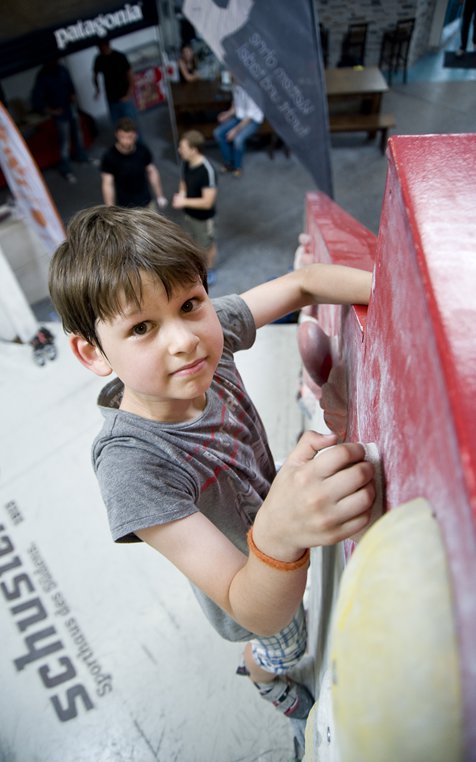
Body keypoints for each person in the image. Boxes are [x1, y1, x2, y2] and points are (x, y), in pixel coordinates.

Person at [48, 206, 375, 735]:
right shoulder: (132, 466)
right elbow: (253, 609)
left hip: (280, 536)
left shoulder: (207, 340)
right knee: (284, 645)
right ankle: (267, 680)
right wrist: (279, 530)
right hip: (251, 586)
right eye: (142, 327)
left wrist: (397, 293)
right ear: (92, 353)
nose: (183, 339)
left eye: (189, 303)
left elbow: (305, 284)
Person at [31, 59, 90, 183]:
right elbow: (37, 99)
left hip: (70, 108)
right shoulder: (43, 76)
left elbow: (70, 84)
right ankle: (66, 168)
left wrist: (73, 94)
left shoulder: (62, 69)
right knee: (65, 142)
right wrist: (51, 111)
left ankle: (81, 156)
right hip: (60, 113)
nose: (55, 62)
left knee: (77, 134)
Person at [173, 130, 218, 283]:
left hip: (203, 218)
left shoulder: (207, 171)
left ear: (194, 150)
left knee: (207, 244)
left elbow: (207, 202)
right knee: (194, 240)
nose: (179, 151)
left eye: (183, 148)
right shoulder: (186, 162)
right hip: (190, 214)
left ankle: (210, 269)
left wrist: (183, 202)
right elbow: (183, 180)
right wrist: (182, 193)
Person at [100, 117, 167, 210]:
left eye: (129, 137)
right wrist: (110, 209)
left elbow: (152, 172)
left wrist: (160, 195)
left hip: (146, 202)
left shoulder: (142, 150)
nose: (126, 141)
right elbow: (107, 183)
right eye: (122, 137)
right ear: (116, 135)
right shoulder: (109, 156)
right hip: (126, 208)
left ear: (135, 135)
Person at [213, 80, 264, 177]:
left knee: (238, 139)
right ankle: (229, 162)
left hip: (253, 120)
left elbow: (249, 117)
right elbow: (236, 106)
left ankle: (237, 166)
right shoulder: (235, 85)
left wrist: (235, 130)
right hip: (240, 117)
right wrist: (227, 114)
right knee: (218, 133)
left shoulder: (252, 89)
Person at [93, 40, 139, 129]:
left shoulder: (119, 56)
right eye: (99, 48)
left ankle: (138, 142)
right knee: (117, 124)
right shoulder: (99, 59)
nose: (101, 49)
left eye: (102, 47)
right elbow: (95, 75)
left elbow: (129, 74)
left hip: (124, 96)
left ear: (107, 45)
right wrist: (97, 89)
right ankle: (122, 142)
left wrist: (129, 93)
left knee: (131, 122)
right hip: (111, 98)